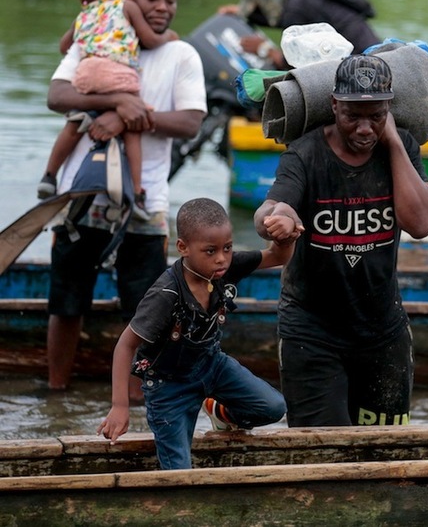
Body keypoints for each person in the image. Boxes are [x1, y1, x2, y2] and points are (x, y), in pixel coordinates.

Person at [253, 53, 428, 427]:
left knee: (386, 454)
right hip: (312, 331)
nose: (364, 128)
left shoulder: (399, 147)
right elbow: (273, 207)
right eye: (353, 115)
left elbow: (421, 223)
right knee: (322, 452)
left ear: (389, 110)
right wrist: (278, 219)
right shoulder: (305, 154)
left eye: (376, 115)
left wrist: (392, 142)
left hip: (382, 330)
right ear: (334, 105)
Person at [45, 0, 207, 391]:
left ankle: (134, 402)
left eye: (170, 0)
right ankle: (55, 389)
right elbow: (57, 96)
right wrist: (117, 103)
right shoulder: (95, 36)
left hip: (144, 197)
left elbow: (191, 121)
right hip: (84, 194)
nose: (162, 7)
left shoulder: (179, 53)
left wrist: (130, 118)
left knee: (144, 308)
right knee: (66, 301)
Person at [97, 198, 298, 470]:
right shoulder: (165, 295)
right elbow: (125, 345)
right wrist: (119, 406)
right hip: (168, 387)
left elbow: (278, 256)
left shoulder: (224, 268)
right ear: (183, 248)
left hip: (212, 365)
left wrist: (286, 234)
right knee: (179, 470)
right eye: (211, 251)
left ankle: (222, 413)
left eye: (227, 248)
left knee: (274, 407)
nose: (222, 258)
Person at [38, 0, 179, 220]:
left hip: (87, 75)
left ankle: (49, 176)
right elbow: (148, 38)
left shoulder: (82, 15)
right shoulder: (126, 6)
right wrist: (168, 37)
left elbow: (64, 47)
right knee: (132, 131)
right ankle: (137, 193)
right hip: (118, 75)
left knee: (73, 123)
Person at [217, 0, 381, 68]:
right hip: (373, 49)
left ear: (266, 0)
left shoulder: (296, 10)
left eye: (258, 7)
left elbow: (293, 65)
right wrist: (242, 12)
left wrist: (264, 49)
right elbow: (280, 19)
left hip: (366, 61)